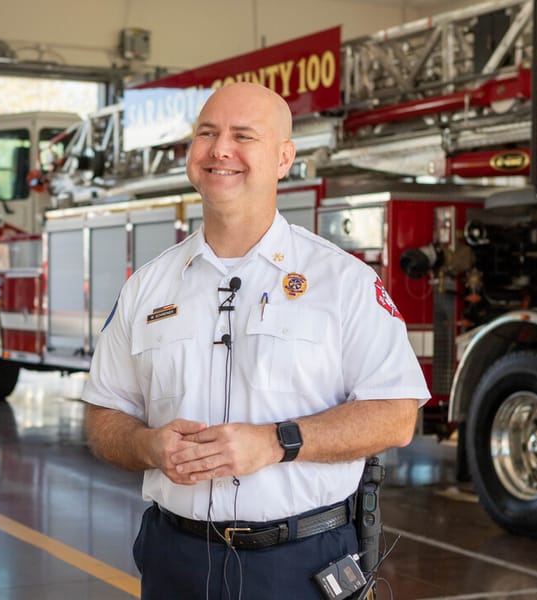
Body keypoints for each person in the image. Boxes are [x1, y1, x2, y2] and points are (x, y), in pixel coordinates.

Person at [81, 82, 430, 599]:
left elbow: (397, 416)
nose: (220, 149)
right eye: (207, 133)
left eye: (243, 135)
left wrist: (276, 442)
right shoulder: (146, 288)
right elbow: (103, 415)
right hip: (175, 560)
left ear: (284, 158)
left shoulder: (344, 282)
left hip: (301, 564)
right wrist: (145, 444)